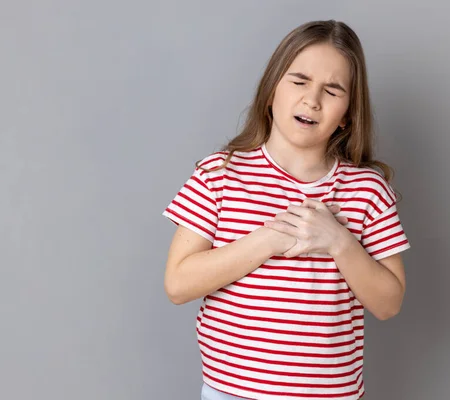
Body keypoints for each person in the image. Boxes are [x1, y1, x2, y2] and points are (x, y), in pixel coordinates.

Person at [162, 19, 411, 400]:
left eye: (332, 90)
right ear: (271, 91)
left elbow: (389, 303)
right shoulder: (219, 173)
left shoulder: (367, 190)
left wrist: (339, 242)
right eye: (299, 81)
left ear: (346, 114)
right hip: (232, 392)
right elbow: (178, 285)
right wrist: (267, 239)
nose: (312, 99)